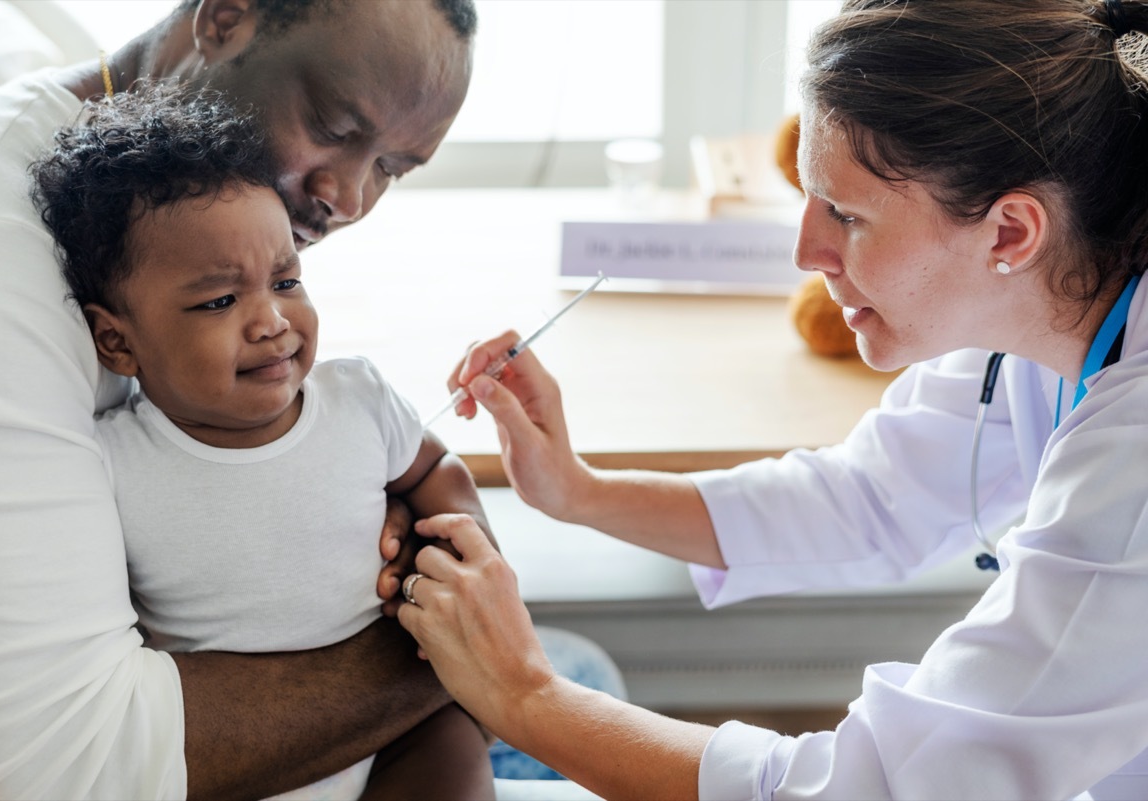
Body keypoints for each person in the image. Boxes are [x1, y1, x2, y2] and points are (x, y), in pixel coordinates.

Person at [392, 0, 1148, 798]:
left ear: (1008, 233)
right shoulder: (1057, 302)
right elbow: (867, 497)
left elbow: (881, 786)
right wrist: (578, 490)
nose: (805, 251)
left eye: (847, 215)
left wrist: (526, 695)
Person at [0, 0, 476, 797]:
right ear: (226, 18)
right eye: (335, 125)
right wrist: (467, 654)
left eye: (393, 169)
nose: (351, 199)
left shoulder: (195, 199)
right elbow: (66, 763)